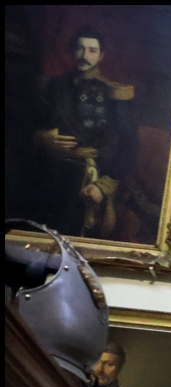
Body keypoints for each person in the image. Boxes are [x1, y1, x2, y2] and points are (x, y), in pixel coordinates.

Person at [30, 26, 137, 238]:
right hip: (47, 174)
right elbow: (29, 125)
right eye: (80, 48)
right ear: (72, 50)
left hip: (86, 180)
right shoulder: (52, 86)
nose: (84, 55)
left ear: (101, 55)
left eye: (92, 50)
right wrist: (41, 138)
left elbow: (128, 145)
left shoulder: (113, 93)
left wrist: (103, 186)